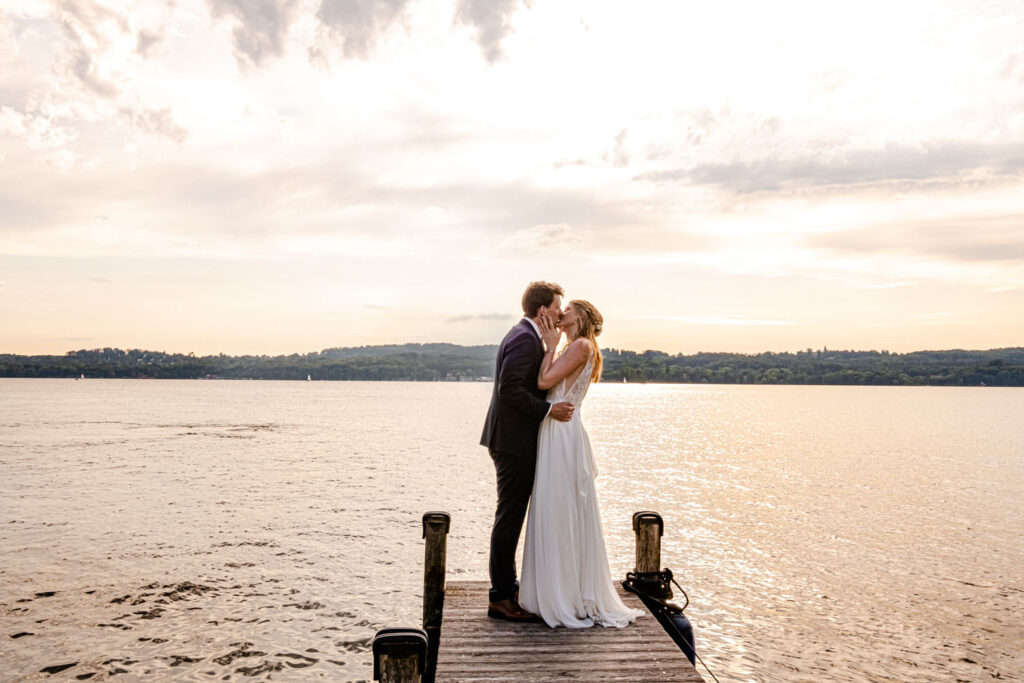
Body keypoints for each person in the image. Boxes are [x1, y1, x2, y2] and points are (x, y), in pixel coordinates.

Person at [518, 299, 644, 628]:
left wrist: (549, 347)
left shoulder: (580, 346)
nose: (562, 313)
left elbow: (545, 383)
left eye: (568, 308)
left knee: (558, 509)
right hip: (558, 429)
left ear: (581, 316)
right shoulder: (578, 347)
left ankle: (563, 595)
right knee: (558, 508)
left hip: (560, 432)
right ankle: (560, 589)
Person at [480, 281, 575, 622]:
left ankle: (509, 588)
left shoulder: (527, 335)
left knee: (511, 516)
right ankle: (501, 597)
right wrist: (549, 411)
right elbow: (509, 391)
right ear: (542, 311)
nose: (562, 313)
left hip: (511, 440)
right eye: (558, 307)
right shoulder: (524, 338)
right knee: (509, 518)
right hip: (512, 443)